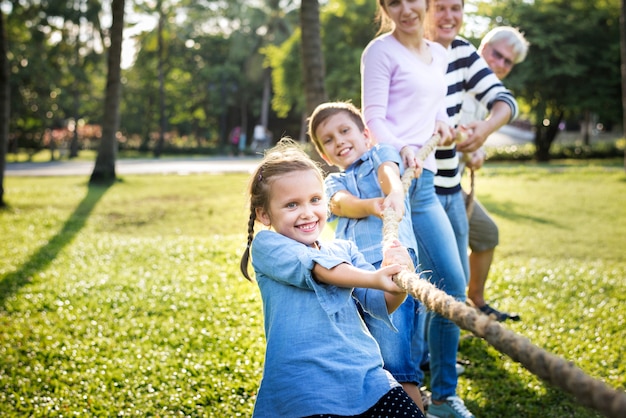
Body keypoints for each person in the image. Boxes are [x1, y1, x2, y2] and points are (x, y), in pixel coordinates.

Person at [240, 138, 425, 418]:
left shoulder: (344, 248)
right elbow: (319, 269)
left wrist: (398, 279)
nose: (307, 212)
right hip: (306, 386)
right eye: (291, 205)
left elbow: (380, 301)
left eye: (315, 200)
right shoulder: (267, 246)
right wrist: (376, 277)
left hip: (365, 376)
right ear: (264, 214)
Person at [360, 1, 474, 417]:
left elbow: (433, 104)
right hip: (392, 180)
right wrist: (403, 146)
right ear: (384, 7)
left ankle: (443, 396)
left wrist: (441, 122)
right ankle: (400, 392)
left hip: (422, 184)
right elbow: (373, 118)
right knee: (401, 293)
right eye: (393, 1)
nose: (405, 9)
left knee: (450, 286)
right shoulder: (379, 52)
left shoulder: (439, 53)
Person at [308, 101, 427, 411]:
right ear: (324, 154)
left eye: (344, 131)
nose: (339, 141)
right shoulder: (334, 181)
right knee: (365, 359)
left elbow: (389, 172)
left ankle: (413, 408)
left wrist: (393, 195)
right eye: (329, 140)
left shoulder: (380, 154)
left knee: (396, 365)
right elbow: (339, 203)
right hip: (353, 277)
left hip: (390, 267)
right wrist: (371, 205)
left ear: (365, 134)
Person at [459, 26, 529, 321]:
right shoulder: (457, 78)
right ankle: (426, 345)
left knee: (486, 233)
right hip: (427, 185)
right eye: (495, 54)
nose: (498, 64)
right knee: (444, 262)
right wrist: (468, 148)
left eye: (507, 62)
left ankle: (476, 301)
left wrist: (475, 152)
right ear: (482, 46)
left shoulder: (489, 96)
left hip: (452, 186)